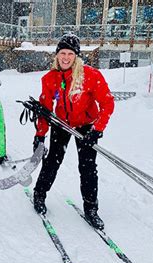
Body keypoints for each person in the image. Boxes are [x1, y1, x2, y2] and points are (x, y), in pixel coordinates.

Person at [32, 33, 115, 230]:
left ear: (76, 56)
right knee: (52, 160)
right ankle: (39, 194)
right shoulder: (50, 78)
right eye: (62, 53)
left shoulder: (90, 76)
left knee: (87, 167)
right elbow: (45, 109)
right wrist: (40, 134)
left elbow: (107, 103)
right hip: (62, 124)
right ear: (57, 55)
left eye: (70, 53)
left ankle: (91, 208)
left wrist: (97, 130)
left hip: (86, 126)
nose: (66, 57)